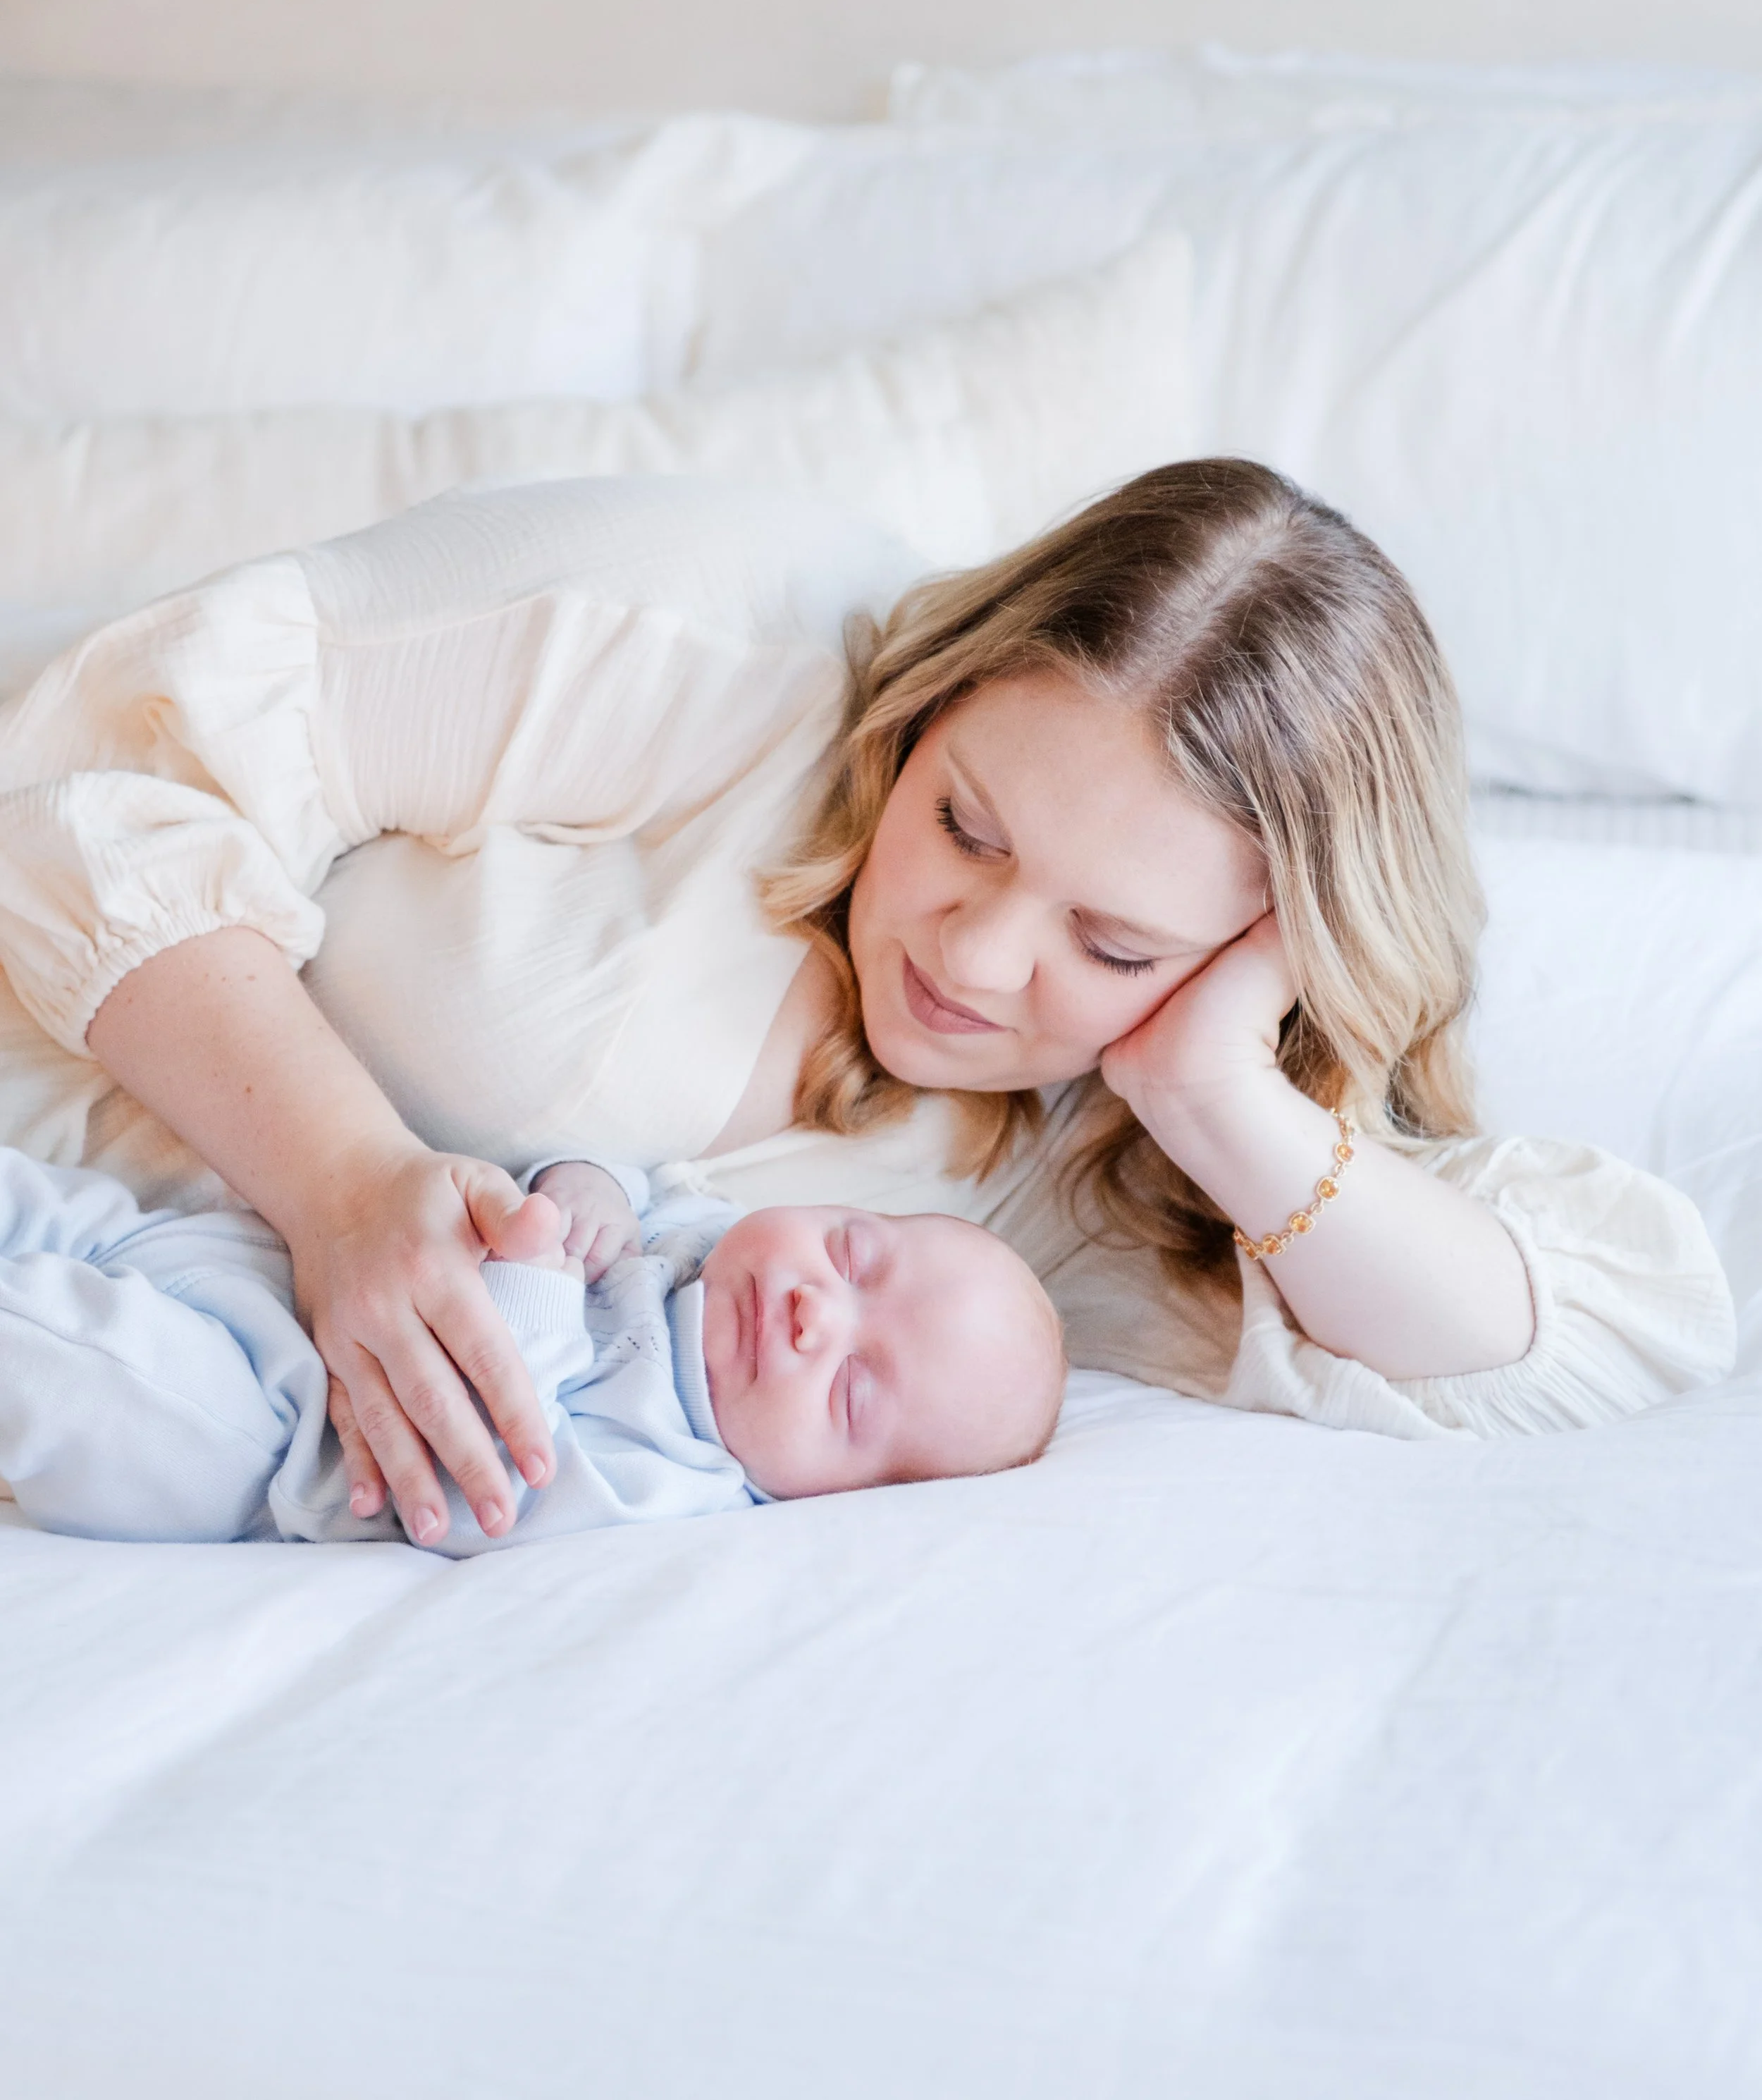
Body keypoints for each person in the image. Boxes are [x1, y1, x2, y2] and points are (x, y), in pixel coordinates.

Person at [0, 462, 1733, 1549]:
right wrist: (340, 1184)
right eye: (964, 827)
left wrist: (1211, 1087)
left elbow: (1600, 1349)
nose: (972, 963)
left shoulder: (1092, 1176)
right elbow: (89, 778)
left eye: (1113, 942)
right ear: (933, 702)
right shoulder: (713, 637)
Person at [0, 1143, 1066, 1547]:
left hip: (269, 1428)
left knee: (86, 1376)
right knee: (48, 1203)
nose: (815, 1314)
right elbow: (618, 1178)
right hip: (244, 1248)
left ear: (843, 1500)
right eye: (851, 1253)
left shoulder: (671, 1482)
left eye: (852, 1392)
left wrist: (540, 1293)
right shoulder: (698, 1236)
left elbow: (487, 1493)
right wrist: (584, 1186)